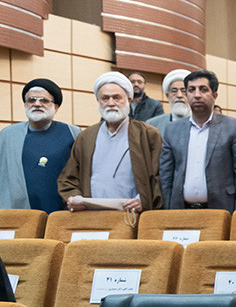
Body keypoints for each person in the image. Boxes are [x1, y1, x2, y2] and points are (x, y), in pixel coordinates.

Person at [59, 72, 162, 213]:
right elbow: (68, 178)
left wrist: (143, 200)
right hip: (93, 215)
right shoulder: (86, 137)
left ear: (129, 100)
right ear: (98, 101)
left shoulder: (147, 134)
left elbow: (160, 176)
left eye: (116, 97)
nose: (111, 103)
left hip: (132, 215)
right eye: (105, 98)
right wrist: (75, 198)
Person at [159, 69, 236, 211]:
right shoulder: (172, 130)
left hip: (222, 211)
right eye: (191, 90)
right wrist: (167, 211)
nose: (197, 95)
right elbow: (166, 176)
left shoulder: (234, 127)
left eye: (203, 89)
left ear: (214, 95)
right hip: (181, 211)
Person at [0, 80, 81, 213]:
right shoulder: (8, 135)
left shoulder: (72, 133)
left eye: (44, 100)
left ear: (56, 107)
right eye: (31, 100)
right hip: (20, 213)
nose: (37, 104)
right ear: (25, 105)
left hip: (63, 213)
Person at [146, 69, 191, 134]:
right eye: (174, 91)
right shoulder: (152, 125)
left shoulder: (202, 124)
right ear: (167, 95)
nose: (179, 95)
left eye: (184, 91)